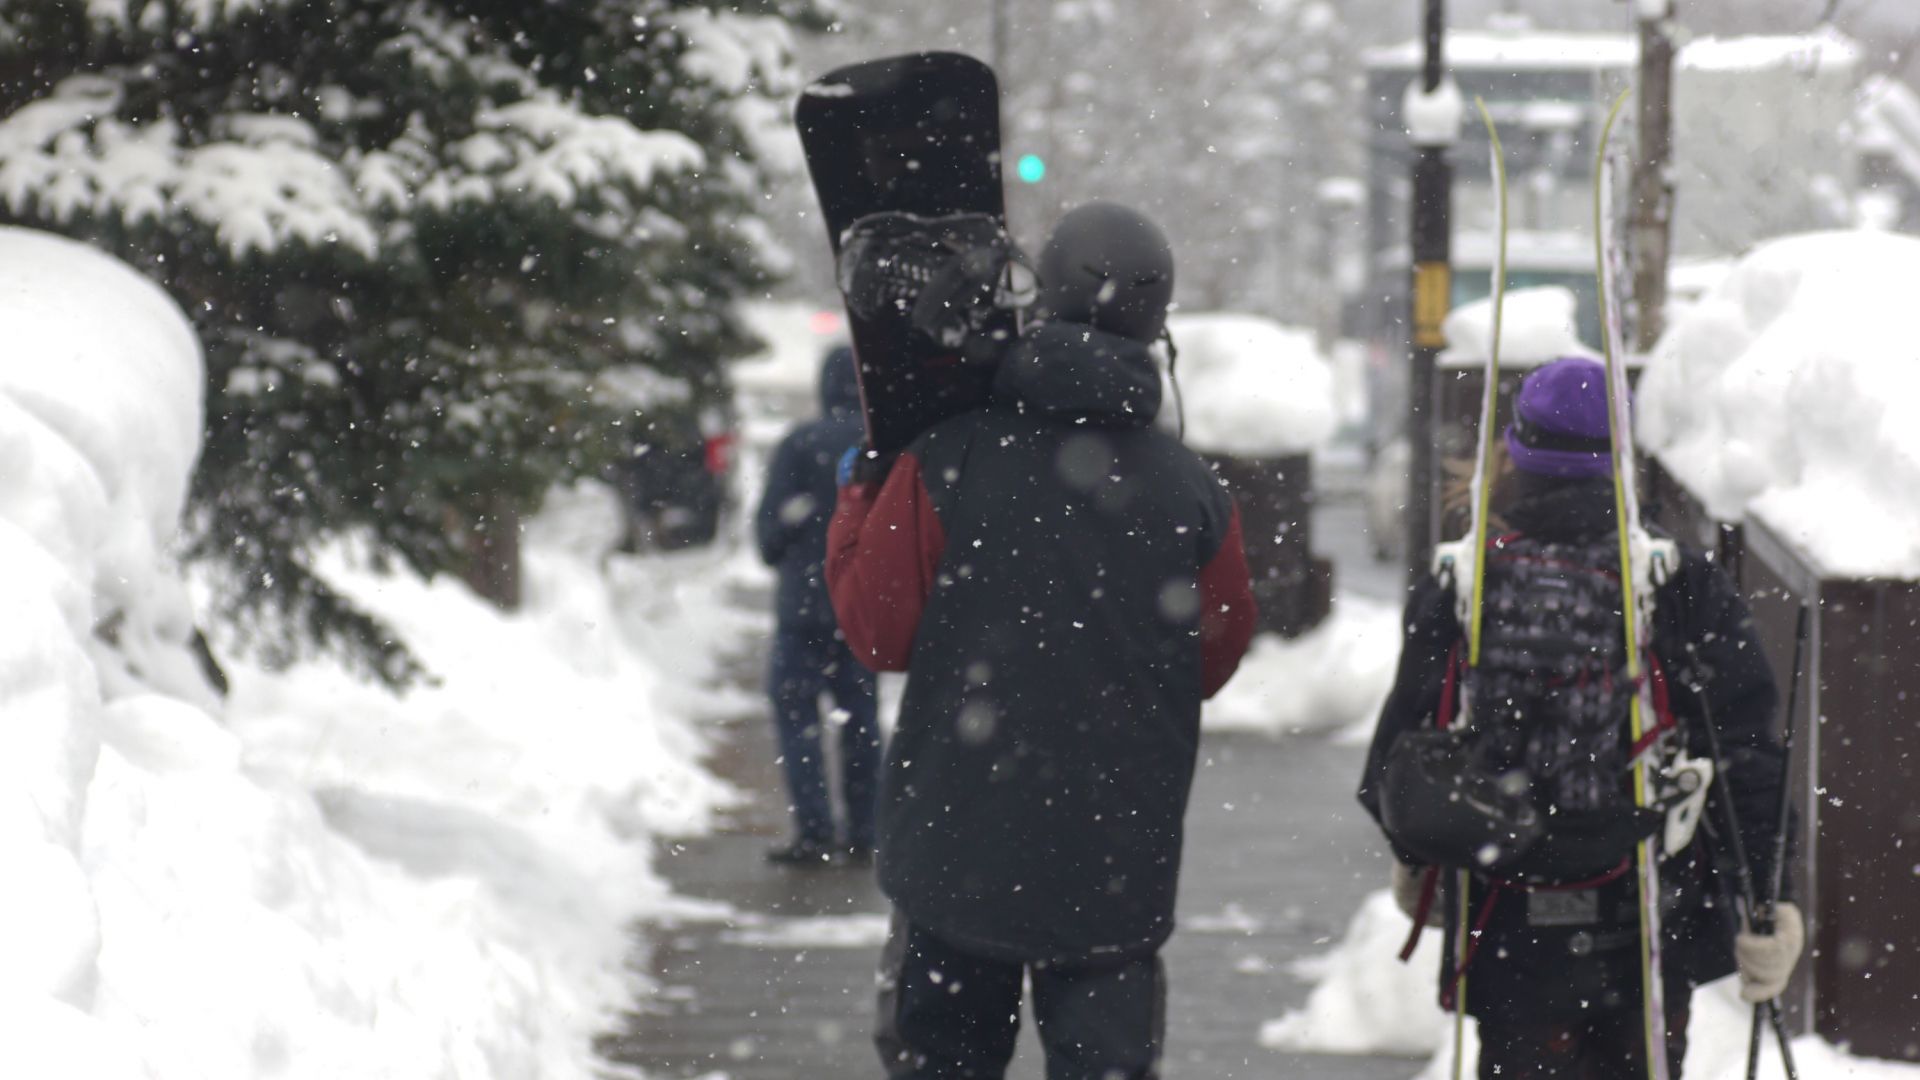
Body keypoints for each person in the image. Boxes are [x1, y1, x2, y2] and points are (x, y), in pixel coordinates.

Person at [826, 202, 1258, 1080]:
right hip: (1114, 865)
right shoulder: (1193, 494)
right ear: (1156, 326)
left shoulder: (944, 459)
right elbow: (1212, 657)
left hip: (955, 849)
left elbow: (876, 634)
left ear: (1043, 301)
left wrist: (862, 499)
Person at [1358, 356, 1804, 1079]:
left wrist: (1417, 859)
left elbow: (1398, 758)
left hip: (1507, 918)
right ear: (1622, 458)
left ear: (1513, 450)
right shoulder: (1677, 583)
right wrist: (1770, 898)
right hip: (1648, 915)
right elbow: (1745, 755)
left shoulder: (1467, 583)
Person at [754, 344, 881, 866]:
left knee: (797, 721)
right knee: (862, 724)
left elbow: (768, 537)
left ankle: (813, 830)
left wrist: (796, 529)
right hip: (861, 614)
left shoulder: (799, 444)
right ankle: (864, 831)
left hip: (803, 612)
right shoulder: (882, 448)